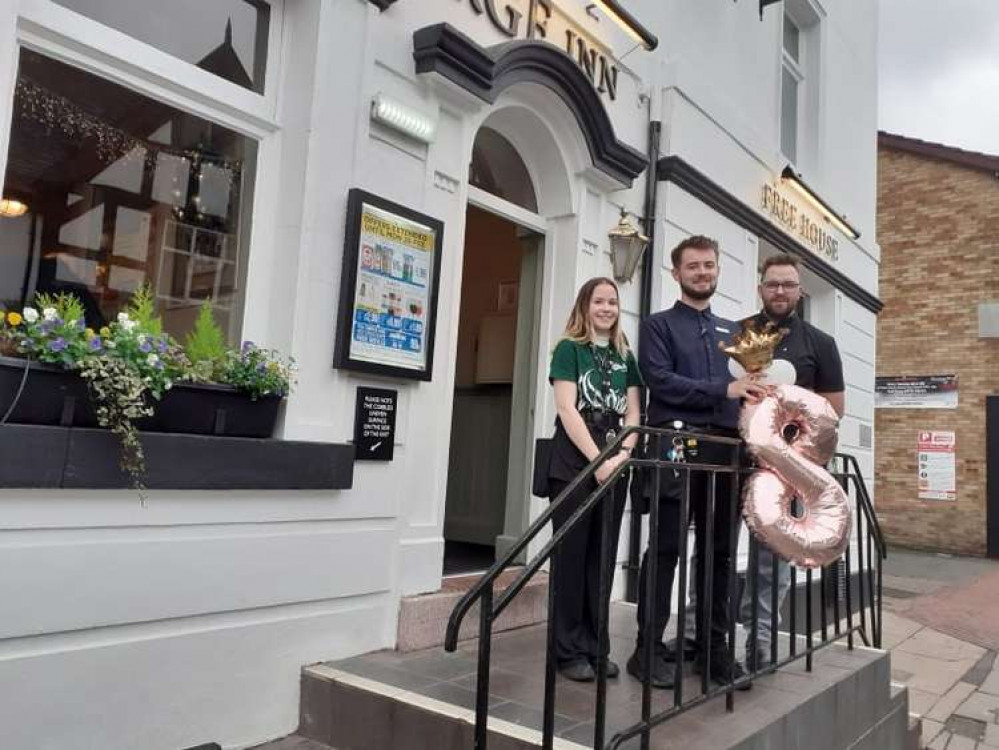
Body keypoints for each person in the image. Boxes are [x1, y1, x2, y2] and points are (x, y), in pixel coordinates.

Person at [629, 235, 767, 690]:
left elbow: (746, 390)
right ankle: (647, 648)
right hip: (676, 447)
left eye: (709, 265)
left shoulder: (736, 332)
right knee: (666, 548)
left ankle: (713, 649)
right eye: (693, 266)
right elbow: (661, 382)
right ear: (677, 273)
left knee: (721, 553)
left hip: (728, 452)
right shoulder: (657, 325)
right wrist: (721, 391)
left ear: (717, 269)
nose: (702, 272)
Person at [739, 253, 845, 670]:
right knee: (715, 547)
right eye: (772, 284)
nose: (779, 291)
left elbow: (834, 409)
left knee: (772, 557)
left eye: (787, 284)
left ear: (800, 291)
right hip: (737, 458)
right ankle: (698, 632)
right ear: (761, 288)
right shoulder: (744, 334)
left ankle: (759, 642)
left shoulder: (820, 342)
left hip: (788, 472)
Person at [547, 277, 642, 682]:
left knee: (601, 560)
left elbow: (635, 412)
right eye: (599, 301)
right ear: (585, 306)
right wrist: (597, 462)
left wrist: (624, 453)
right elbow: (567, 409)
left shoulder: (626, 354)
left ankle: (595, 647)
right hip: (575, 459)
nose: (606, 308)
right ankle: (567, 652)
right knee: (571, 558)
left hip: (615, 457)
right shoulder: (569, 349)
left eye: (613, 302)